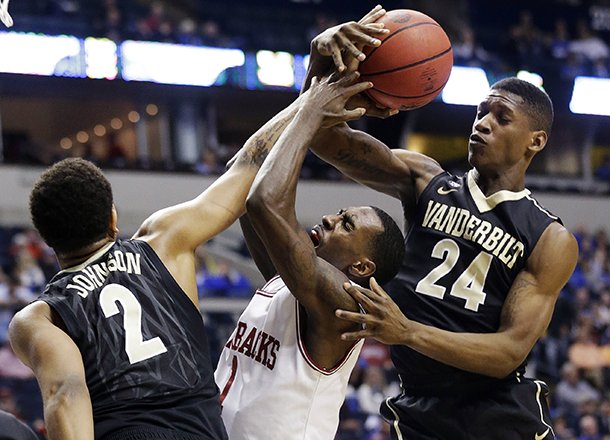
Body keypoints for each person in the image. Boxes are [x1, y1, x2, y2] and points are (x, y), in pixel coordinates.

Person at [302, 9, 579, 439]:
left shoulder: (548, 237)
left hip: (499, 414)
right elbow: (322, 138)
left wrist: (407, 332)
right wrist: (321, 65)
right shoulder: (424, 179)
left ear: (535, 141)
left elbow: (508, 352)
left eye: (501, 118)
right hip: (419, 407)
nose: (482, 123)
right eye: (481, 112)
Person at [7, 92, 305, 440]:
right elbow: (251, 166)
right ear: (112, 219)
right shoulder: (165, 241)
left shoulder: (38, 318)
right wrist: (314, 93)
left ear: (46, 239)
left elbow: (66, 394)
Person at [214, 71, 405, 440]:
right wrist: (309, 98)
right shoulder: (290, 278)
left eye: (346, 224)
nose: (330, 218)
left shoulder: (344, 305)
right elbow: (242, 174)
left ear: (362, 266)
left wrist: (314, 107)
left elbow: (264, 199)